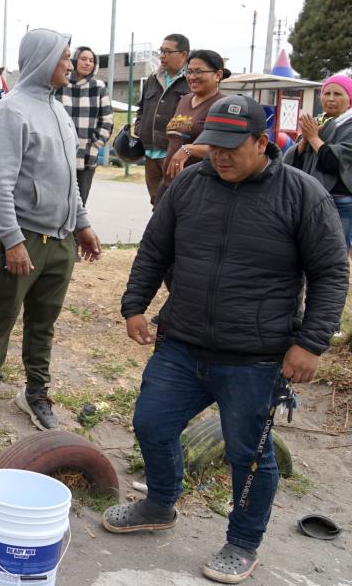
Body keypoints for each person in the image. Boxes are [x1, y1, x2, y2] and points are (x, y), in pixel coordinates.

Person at [106, 95, 348, 584]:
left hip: (256, 357)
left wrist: (311, 343)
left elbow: (330, 273)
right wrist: (135, 305)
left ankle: (241, 541)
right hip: (181, 342)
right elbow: (155, 248)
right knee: (151, 424)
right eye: (211, 145)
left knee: (249, 455)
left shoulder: (302, 195)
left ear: (262, 142)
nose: (218, 156)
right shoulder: (190, 184)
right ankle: (159, 502)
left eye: (230, 148)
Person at [0, 29, 102, 435]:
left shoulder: (59, 111)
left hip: (61, 241)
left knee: (44, 322)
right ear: (42, 59)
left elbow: (70, 180)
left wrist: (83, 223)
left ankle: (36, 391)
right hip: (24, 240)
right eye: (64, 57)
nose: (70, 64)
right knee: (2, 316)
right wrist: (13, 240)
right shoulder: (13, 111)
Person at [284, 74, 352, 250]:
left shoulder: (349, 126)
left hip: (339, 200)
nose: (330, 99)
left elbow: (335, 162)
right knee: (306, 250)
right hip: (309, 198)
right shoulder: (317, 122)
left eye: (338, 94)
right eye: (326, 93)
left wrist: (313, 137)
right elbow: (292, 162)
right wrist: (305, 140)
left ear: (349, 98)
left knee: (333, 253)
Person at [160, 49, 230, 193]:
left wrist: (189, 149)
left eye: (198, 72)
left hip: (198, 187)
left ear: (218, 75)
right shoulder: (184, 100)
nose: (192, 77)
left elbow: (227, 148)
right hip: (169, 184)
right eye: (189, 71)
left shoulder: (223, 105)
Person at [135, 33, 190, 206]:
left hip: (175, 155)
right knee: (156, 203)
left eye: (167, 51)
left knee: (175, 204)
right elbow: (142, 108)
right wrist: (140, 128)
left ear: (183, 54)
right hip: (151, 153)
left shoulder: (191, 80)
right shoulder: (153, 78)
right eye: (161, 51)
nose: (161, 56)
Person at [56, 46, 113, 204]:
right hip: (59, 154)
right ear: (74, 60)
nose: (88, 63)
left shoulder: (99, 86)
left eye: (91, 60)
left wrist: (96, 144)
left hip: (87, 155)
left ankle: (76, 229)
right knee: (58, 203)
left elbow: (107, 120)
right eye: (83, 59)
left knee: (79, 204)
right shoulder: (60, 84)